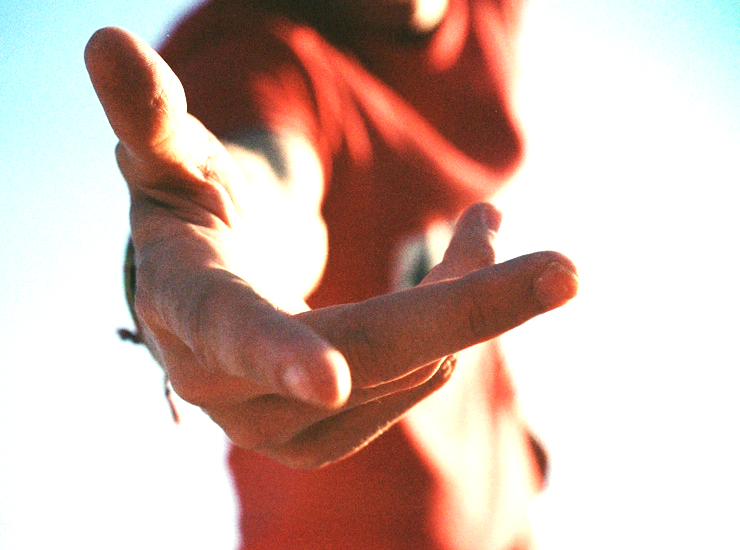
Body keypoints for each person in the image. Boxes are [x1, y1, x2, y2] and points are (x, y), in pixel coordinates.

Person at [85, 0, 578, 547]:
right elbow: (263, 185)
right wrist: (208, 262)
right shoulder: (251, 47)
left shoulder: (491, 15)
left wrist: (516, 439)